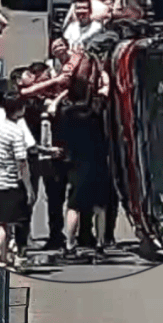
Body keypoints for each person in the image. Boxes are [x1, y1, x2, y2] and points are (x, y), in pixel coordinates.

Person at [54, 57, 111, 257]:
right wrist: (103, 74)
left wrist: (62, 95)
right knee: (100, 206)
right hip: (97, 161)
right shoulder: (95, 108)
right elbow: (106, 90)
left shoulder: (67, 112)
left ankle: (70, 244)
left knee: (73, 206)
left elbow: (53, 109)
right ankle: (100, 244)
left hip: (76, 162)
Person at [0, 92, 37, 267]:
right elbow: (22, 162)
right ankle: (2, 258)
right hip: (8, 182)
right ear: (19, 110)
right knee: (4, 224)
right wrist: (28, 187)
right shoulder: (16, 131)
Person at [15, 65, 68, 250]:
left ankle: (56, 236)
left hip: (54, 157)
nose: (48, 82)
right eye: (44, 78)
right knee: (30, 197)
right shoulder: (28, 100)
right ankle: (22, 240)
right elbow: (24, 93)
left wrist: (56, 98)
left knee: (55, 198)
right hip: (34, 155)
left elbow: (68, 89)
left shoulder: (53, 99)